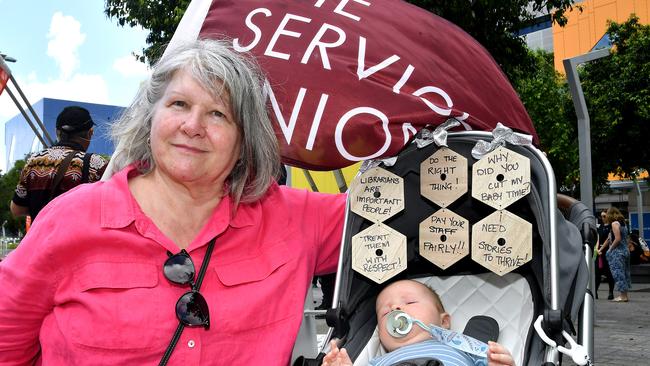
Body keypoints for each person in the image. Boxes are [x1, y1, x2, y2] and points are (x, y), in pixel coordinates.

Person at [0, 39, 346, 365]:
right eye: (179, 104)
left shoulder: (294, 217)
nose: (193, 126)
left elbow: (389, 208)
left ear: (244, 140)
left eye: (218, 114)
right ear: (150, 117)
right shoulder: (71, 218)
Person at [322, 280, 515, 366]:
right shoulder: (377, 361)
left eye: (410, 302)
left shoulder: (465, 347)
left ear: (444, 321)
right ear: (380, 334)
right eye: (386, 312)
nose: (396, 309)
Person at [10, 105, 108, 220]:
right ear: (90, 133)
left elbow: (16, 209)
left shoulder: (34, 161)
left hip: (42, 237)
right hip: (76, 237)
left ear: (57, 132)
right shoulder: (96, 164)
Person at [598, 207, 631, 302]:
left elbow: (617, 238)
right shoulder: (623, 223)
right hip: (625, 251)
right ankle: (624, 295)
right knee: (624, 273)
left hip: (618, 252)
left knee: (618, 273)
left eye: (606, 214)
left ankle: (623, 296)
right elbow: (609, 239)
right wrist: (601, 248)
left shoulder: (614, 224)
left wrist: (610, 250)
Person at [595, 210, 615, 300]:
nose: (602, 218)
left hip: (608, 252)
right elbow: (598, 238)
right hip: (600, 253)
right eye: (601, 216)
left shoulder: (612, 226)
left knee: (609, 273)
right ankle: (595, 292)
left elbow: (609, 239)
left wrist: (601, 249)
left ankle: (611, 292)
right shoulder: (600, 227)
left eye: (604, 216)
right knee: (597, 273)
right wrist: (597, 249)